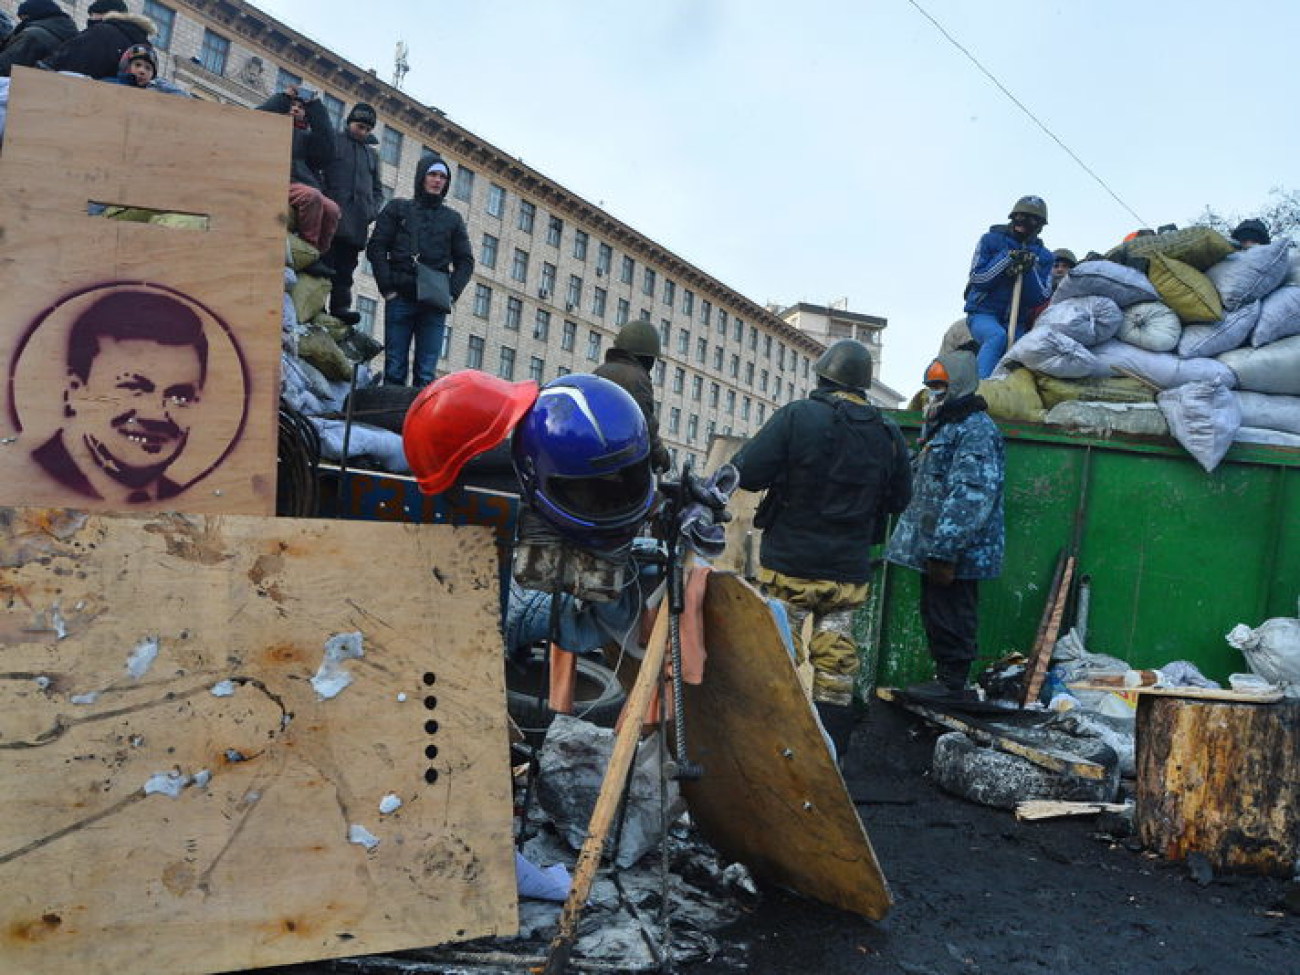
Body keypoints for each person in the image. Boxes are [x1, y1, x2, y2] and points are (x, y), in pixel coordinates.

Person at [730, 339, 912, 760]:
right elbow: (900, 499)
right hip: (847, 573)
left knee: (779, 658)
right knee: (836, 666)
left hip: (789, 567)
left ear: (823, 376)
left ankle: (772, 750)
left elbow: (748, 473)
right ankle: (830, 758)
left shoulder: (797, 416)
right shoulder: (887, 434)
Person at [886, 350, 1005, 702]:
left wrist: (946, 550)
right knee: (937, 611)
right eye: (932, 386)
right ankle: (946, 678)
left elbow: (971, 492)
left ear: (961, 385)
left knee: (952, 612)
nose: (935, 394)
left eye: (941, 386)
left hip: (956, 551)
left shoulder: (975, 430)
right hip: (938, 546)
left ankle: (954, 684)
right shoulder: (944, 426)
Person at [32, 289, 208, 504]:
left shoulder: (181, 498)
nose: (156, 415)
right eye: (133, 388)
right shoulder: (31, 479)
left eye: (180, 396)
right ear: (76, 389)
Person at [366, 152, 474, 387]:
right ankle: (389, 423)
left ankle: (418, 423)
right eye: (432, 174)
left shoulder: (452, 219)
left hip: (433, 303)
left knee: (426, 375)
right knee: (394, 369)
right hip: (400, 297)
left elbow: (466, 261)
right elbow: (376, 247)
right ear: (421, 177)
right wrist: (387, 288)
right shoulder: (397, 209)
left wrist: (451, 294)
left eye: (442, 177)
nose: (437, 180)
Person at [964, 195, 1054, 378]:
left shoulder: (1045, 257)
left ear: (1039, 226)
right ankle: (981, 393)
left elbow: (1041, 296)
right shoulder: (990, 240)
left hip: (1016, 321)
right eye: (1019, 217)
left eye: (1030, 219)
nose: (1022, 223)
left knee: (1023, 353)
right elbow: (978, 279)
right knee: (997, 338)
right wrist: (1006, 260)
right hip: (983, 314)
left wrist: (1028, 271)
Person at [257, 84, 338, 265]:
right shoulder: (269, 128)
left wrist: (316, 107)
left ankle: (318, 253)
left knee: (332, 209)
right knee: (312, 196)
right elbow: (255, 119)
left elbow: (328, 149)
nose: (295, 109)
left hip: (299, 184)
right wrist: (283, 98)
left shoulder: (308, 137)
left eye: (301, 107)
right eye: (292, 105)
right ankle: (306, 248)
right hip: (278, 181)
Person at [321, 102, 383, 324]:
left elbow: (378, 190)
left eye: (367, 129)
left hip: (357, 223)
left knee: (346, 272)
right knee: (323, 267)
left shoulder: (372, 156)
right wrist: (325, 200)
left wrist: (370, 211)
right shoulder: (334, 142)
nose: (363, 132)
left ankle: (340, 308)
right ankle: (316, 307)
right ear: (349, 123)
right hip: (330, 219)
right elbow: (320, 171)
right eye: (359, 126)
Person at [594, 317, 672, 472]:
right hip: (618, 469)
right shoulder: (637, 379)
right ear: (648, 358)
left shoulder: (599, 372)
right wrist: (663, 460)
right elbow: (645, 429)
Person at [41, 1, 153, 79]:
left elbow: (69, 62)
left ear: (102, 14)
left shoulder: (101, 32)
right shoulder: (143, 44)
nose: (90, 19)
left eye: (92, 15)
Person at [0, 0, 76, 77]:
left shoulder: (33, 35)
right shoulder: (71, 36)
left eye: (23, 18)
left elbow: (4, 66)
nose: (22, 22)